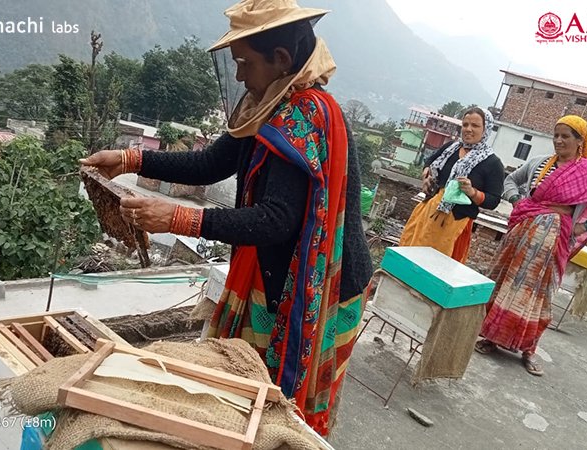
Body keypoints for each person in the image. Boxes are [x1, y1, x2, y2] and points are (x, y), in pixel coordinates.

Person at [79, 0, 372, 436]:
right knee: (248, 397)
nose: (238, 76)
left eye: (244, 63)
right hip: (275, 273)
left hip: (320, 286)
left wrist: (178, 218)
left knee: (284, 408)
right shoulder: (269, 101)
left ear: (281, 59)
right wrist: (130, 158)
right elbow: (213, 163)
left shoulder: (306, 119)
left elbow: (276, 219)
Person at [475, 115, 587, 376]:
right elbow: (511, 181)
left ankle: (528, 349)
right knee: (506, 283)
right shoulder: (539, 163)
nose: (559, 140)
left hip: (553, 240)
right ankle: (491, 337)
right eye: (556, 135)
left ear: (580, 141)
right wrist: (517, 200)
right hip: (521, 234)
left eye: (566, 136)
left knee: (539, 294)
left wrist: (584, 226)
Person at [399, 108, 505, 262]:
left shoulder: (492, 163)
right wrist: (427, 174)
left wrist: (472, 192)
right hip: (428, 212)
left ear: (486, 129)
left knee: (438, 266)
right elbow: (430, 161)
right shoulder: (450, 149)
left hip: (456, 221)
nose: (468, 129)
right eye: (465, 124)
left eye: (475, 126)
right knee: (409, 257)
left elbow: (493, 200)